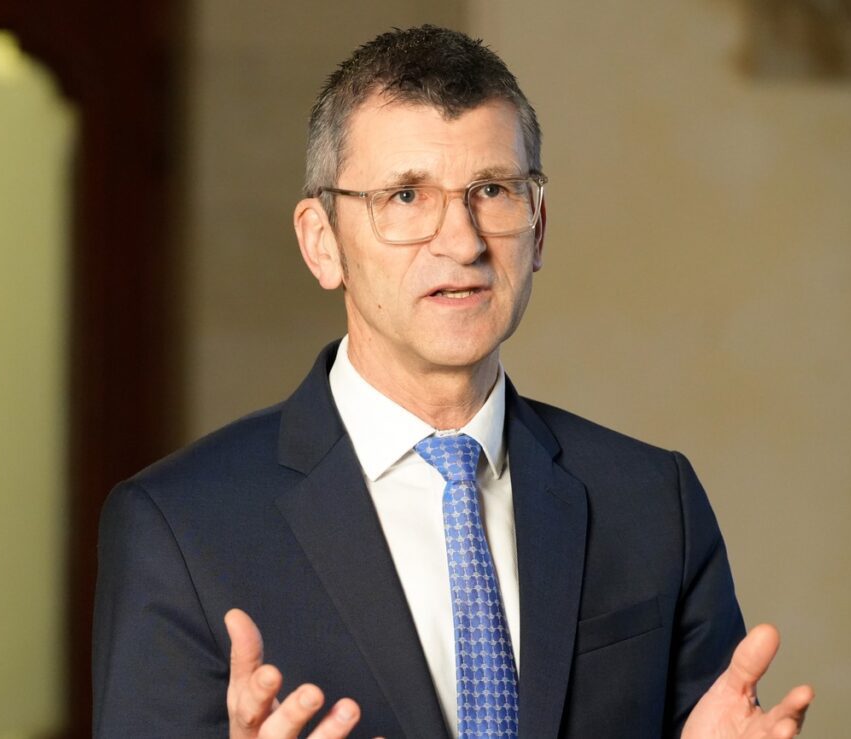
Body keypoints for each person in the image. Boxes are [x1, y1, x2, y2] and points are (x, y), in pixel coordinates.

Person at [92, 25, 813, 739]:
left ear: (538, 226)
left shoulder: (653, 502)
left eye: (492, 190)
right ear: (322, 242)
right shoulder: (179, 528)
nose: (463, 242)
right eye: (406, 197)